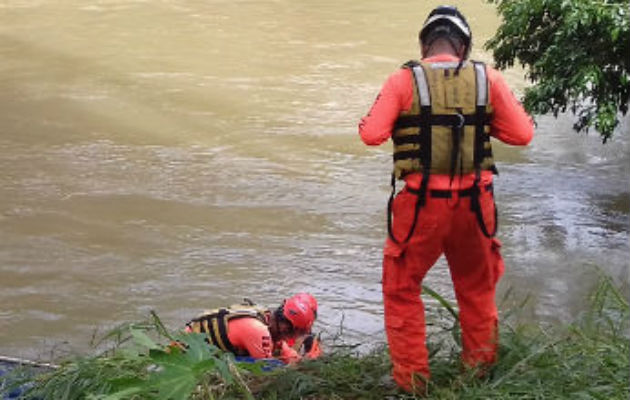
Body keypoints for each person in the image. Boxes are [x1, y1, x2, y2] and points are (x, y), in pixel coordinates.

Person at [358, 5, 534, 393]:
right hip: (476, 206)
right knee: (477, 291)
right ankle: (478, 376)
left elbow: (370, 134)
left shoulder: (403, 80)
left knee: (402, 291)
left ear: (424, 43)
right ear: (465, 45)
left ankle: (412, 383)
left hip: (420, 208)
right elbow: (523, 134)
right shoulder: (490, 79)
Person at [184, 292, 321, 364]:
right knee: (274, 366)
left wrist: (292, 355)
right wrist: (294, 364)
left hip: (192, 340)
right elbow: (266, 368)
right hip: (188, 353)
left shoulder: (265, 316)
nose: (294, 337)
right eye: (295, 333)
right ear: (286, 328)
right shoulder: (259, 331)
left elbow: (279, 346)